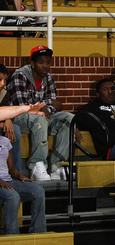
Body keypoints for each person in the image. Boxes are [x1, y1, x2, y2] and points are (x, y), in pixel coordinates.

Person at [7, 46, 80, 181]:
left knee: (69, 118)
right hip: (19, 118)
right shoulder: (20, 75)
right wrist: (46, 106)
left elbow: (54, 107)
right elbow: (21, 106)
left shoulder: (49, 78)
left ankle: (57, 166)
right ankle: (36, 165)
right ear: (33, 63)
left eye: (48, 62)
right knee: (39, 118)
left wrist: (47, 108)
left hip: (41, 118)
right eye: (41, 62)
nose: (45, 66)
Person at [0, 102, 47, 235]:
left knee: (38, 190)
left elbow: (12, 169)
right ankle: (12, 236)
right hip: (1, 184)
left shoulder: (4, 141)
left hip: (8, 180)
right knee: (12, 196)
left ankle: (38, 232)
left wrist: (21, 177)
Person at [0, 64, 22, 172]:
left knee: (15, 129)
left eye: (5, 80)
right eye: (0, 79)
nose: (3, 83)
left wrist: (8, 119)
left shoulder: (4, 91)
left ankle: (16, 170)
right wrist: (3, 123)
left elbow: (6, 109)